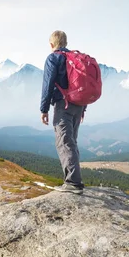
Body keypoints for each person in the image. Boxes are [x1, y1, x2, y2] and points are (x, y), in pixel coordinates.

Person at [40, 30, 85, 194]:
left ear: (52, 44)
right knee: (71, 141)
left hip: (63, 105)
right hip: (78, 105)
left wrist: (44, 109)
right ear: (65, 42)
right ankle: (74, 180)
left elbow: (48, 84)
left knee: (64, 142)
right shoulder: (75, 59)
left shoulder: (53, 58)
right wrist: (83, 107)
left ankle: (73, 183)